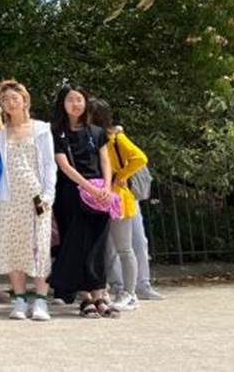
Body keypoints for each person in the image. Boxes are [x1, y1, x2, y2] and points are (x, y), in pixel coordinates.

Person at [0, 80, 56, 321]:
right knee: (12, 247)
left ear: (25, 100)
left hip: (35, 196)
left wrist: (49, 195)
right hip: (8, 197)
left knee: (39, 247)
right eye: (5, 100)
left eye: (15, 98)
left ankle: (41, 300)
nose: (10, 103)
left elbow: (49, 164)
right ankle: (20, 299)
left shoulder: (41, 129)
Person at [50, 84, 117, 317]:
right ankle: (85, 297)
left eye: (79, 99)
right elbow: (64, 165)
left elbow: (105, 161)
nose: (75, 104)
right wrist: (87, 187)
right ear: (62, 103)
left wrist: (106, 187)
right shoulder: (56, 132)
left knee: (98, 245)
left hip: (99, 194)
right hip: (71, 193)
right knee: (76, 244)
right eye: (70, 100)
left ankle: (100, 294)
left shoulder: (97, 132)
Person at [90, 98, 149, 312]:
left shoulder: (115, 138)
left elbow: (140, 158)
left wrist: (120, 176)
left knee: (124, 248)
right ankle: (111, 289)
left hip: (118, 199)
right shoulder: (92, 138)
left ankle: (130, 293)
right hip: (100, 197)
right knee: (107, 249)